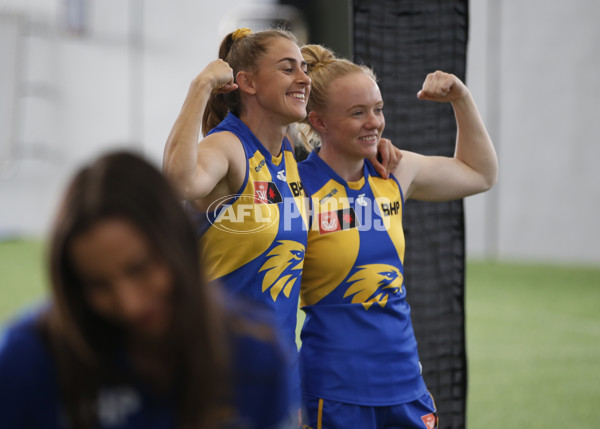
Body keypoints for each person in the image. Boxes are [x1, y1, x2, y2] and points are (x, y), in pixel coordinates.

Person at [162, 27, 401, 411]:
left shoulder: (287, 154)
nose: (304, 78)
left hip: (278, 378)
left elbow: (332, 149)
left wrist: (373, 145)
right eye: (289, 69)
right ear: (248, 83)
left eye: (304, 68)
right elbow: (177, 180)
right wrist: (201, 85)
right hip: (219, 376)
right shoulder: (227, 147)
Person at [0, 151, 295, 429]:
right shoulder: (30, 358)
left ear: (177, 245)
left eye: (139, 269)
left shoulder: (255, 353)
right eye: (98, 285)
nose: (129, 304)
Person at [296, 45, 498, 429]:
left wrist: (462, 99)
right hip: (335, 391)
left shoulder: (394, 172)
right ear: (319, 122)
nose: (374, 122)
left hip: (405, 385)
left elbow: (480, 173)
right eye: (358, 113)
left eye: (378, 108)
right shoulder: (294, 187)